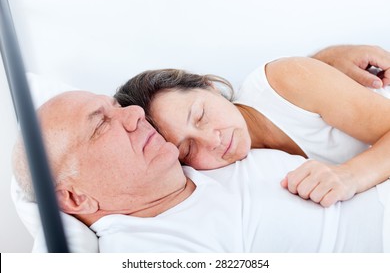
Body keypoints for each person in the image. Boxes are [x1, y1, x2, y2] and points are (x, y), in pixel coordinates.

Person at [12, 91, 390, 252]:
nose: (134, 115)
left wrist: (329, 65)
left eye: (116, 106)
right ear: (75, 196)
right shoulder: (154, 248)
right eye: (101, 125)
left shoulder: (193, 159)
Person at [114, 45, 390, 207]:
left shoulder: (286, 81)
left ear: (210, 87)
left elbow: (297, 90)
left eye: (200, 116)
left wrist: (351, 176)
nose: (212, 140)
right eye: (187, 148)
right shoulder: (224, 175)